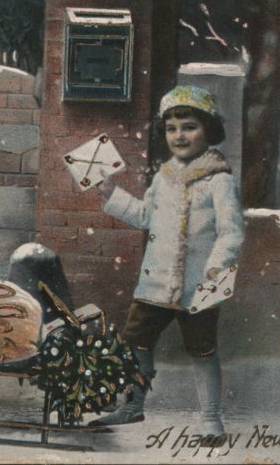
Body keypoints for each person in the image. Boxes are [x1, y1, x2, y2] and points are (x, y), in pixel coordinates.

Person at [89, 85, 243, 437]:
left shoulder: (220, 181)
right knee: (135, 341)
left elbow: (231, 232)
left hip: (199, 285)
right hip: (156, 282)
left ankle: (210, 419)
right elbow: (145, 216)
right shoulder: (163, 178)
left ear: (208, 130)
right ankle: (132, 405)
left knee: (203, 351)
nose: (180, 136)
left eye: (189, 126)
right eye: (172, 129)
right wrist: (111, 195)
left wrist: (217, 266)